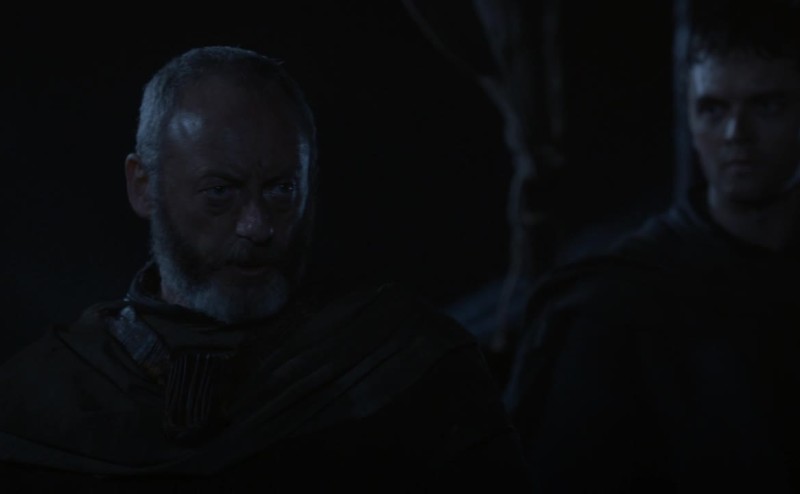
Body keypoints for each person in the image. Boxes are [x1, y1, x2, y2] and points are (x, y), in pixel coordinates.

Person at [0, 45, 531, 492]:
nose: (256, 226)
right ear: (144, 186)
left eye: (281, 189)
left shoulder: (404, 365)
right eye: (220, 192)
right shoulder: (46, 403)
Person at [504, 0, 800, 492]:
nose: (735, 135)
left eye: (767, 105)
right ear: (690, 116)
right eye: (713, 108)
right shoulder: (615, 307)